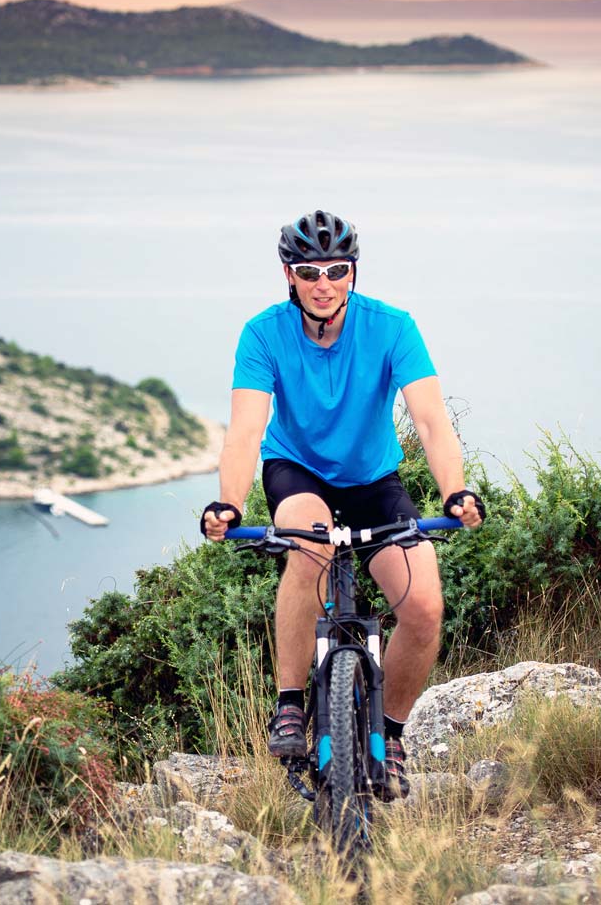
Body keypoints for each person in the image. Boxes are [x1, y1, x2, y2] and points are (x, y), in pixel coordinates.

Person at [200, 209, 485, 795]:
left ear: (353, 273)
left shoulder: (392, 327)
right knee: (308, 544)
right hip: (296, 471)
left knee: (425, 608)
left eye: (336, 269)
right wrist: (228, 503)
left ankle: (392, 734)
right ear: (289, 276)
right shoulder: (263, 333)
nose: (323, 283)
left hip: (373, 480)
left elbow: (431, 420)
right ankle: (289, 701)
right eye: (309, 271)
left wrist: (455, 490)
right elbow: (245, 431)